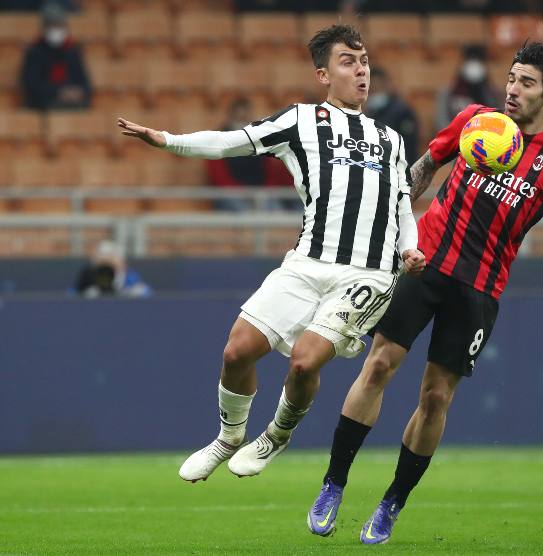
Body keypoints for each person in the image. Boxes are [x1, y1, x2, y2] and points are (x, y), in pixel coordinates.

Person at [307, 41, 543, 544]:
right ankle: (334, 483)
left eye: (526, 82)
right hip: (426, 263)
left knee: (436, 396)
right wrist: (390, 235)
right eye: (511, 77)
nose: (512, 89)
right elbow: (418, 174)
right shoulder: (474, 120)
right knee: (377, 365)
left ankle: (392, 503)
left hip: (481, 288)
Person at [117, 24, 426, 483]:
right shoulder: (300, 121)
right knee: (237, 351)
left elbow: (401, 203)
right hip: (306, 263)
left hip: (368, 274)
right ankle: (228, 437)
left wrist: (410, 247)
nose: (361, 72)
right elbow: (230, 141)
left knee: (304, 359)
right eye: (348, 62)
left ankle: (276, 434)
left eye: (364, 63)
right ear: (323, 75)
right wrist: (168, 139)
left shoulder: (391, 140)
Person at [20, 2, 91, 110]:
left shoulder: (72, 51)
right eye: (52, 26)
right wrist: (59, 92)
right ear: (44, 28)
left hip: (73, 104)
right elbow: (32, 85)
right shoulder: (35, 52)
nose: (57, 30)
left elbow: (85, 83)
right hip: (45, 104)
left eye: (59, 26)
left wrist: (76, 92)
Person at [436, 44, 503, 130]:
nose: (474, 67)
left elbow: (499, 119)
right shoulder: (448, 93)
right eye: (470, 61)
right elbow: (442, 122)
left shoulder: (492, 93)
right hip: (456, 139)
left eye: (478, 61)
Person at [365, 67, 420, 161]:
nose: (374, 94)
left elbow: (409, 147)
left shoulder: (402, 112)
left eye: (378, 88)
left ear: (386, 86)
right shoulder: (369, 113)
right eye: (371, 90)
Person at [74, 240, 152, 299]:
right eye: (102, 259)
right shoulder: (87, 276)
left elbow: (146, 292)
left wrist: (129, 293)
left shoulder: (130, 276)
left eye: (111, 257)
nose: (108, 262)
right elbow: (72, 294)